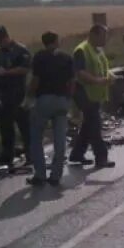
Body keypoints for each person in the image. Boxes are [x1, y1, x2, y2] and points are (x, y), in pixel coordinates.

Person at [27, 31, 76, 187]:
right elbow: (72, 81)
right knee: (60, 140)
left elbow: (35, 80)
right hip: (62, 100)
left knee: (36, 138)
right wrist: (69, 99)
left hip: (44, 100)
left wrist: (29, 97)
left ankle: (40, 175)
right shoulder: (66, 58)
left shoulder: (39, 57)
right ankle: (56, 175)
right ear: (56, 41)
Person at [69, 24, 116, 169]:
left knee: (88, 124)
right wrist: (97, 81)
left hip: (95, 93)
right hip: (83, 92)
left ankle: (76, 154)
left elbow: (102, 68)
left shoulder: (98, 51)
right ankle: (101, 157)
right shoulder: (81, 50)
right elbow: (80, 72)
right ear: (93, 35)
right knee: (94, 124)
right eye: (103, 36)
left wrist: (109, 76)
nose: (105, 39)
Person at [0, 26, 32, 168]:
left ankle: (31, 154)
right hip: (4, 95)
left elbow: (25, 68)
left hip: (18, 93)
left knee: (24, 126)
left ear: (5, 38)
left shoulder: (21, 50)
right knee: (5, 127)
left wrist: (7, 72)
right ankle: (7, 155)